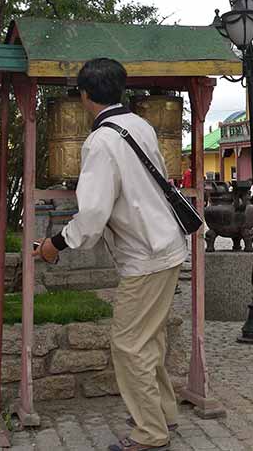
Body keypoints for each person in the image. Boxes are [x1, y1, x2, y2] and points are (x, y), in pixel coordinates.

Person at [35, 58, 186, 451]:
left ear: (84, 96)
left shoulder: (100, 142)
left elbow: (92, 214)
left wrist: (55, 244)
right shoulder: (140, 125)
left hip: (145, 255)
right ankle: (162, 413)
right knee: (148, 340)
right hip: (166, 245)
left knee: (128, 344)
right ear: (121, 90)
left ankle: (150, 433)